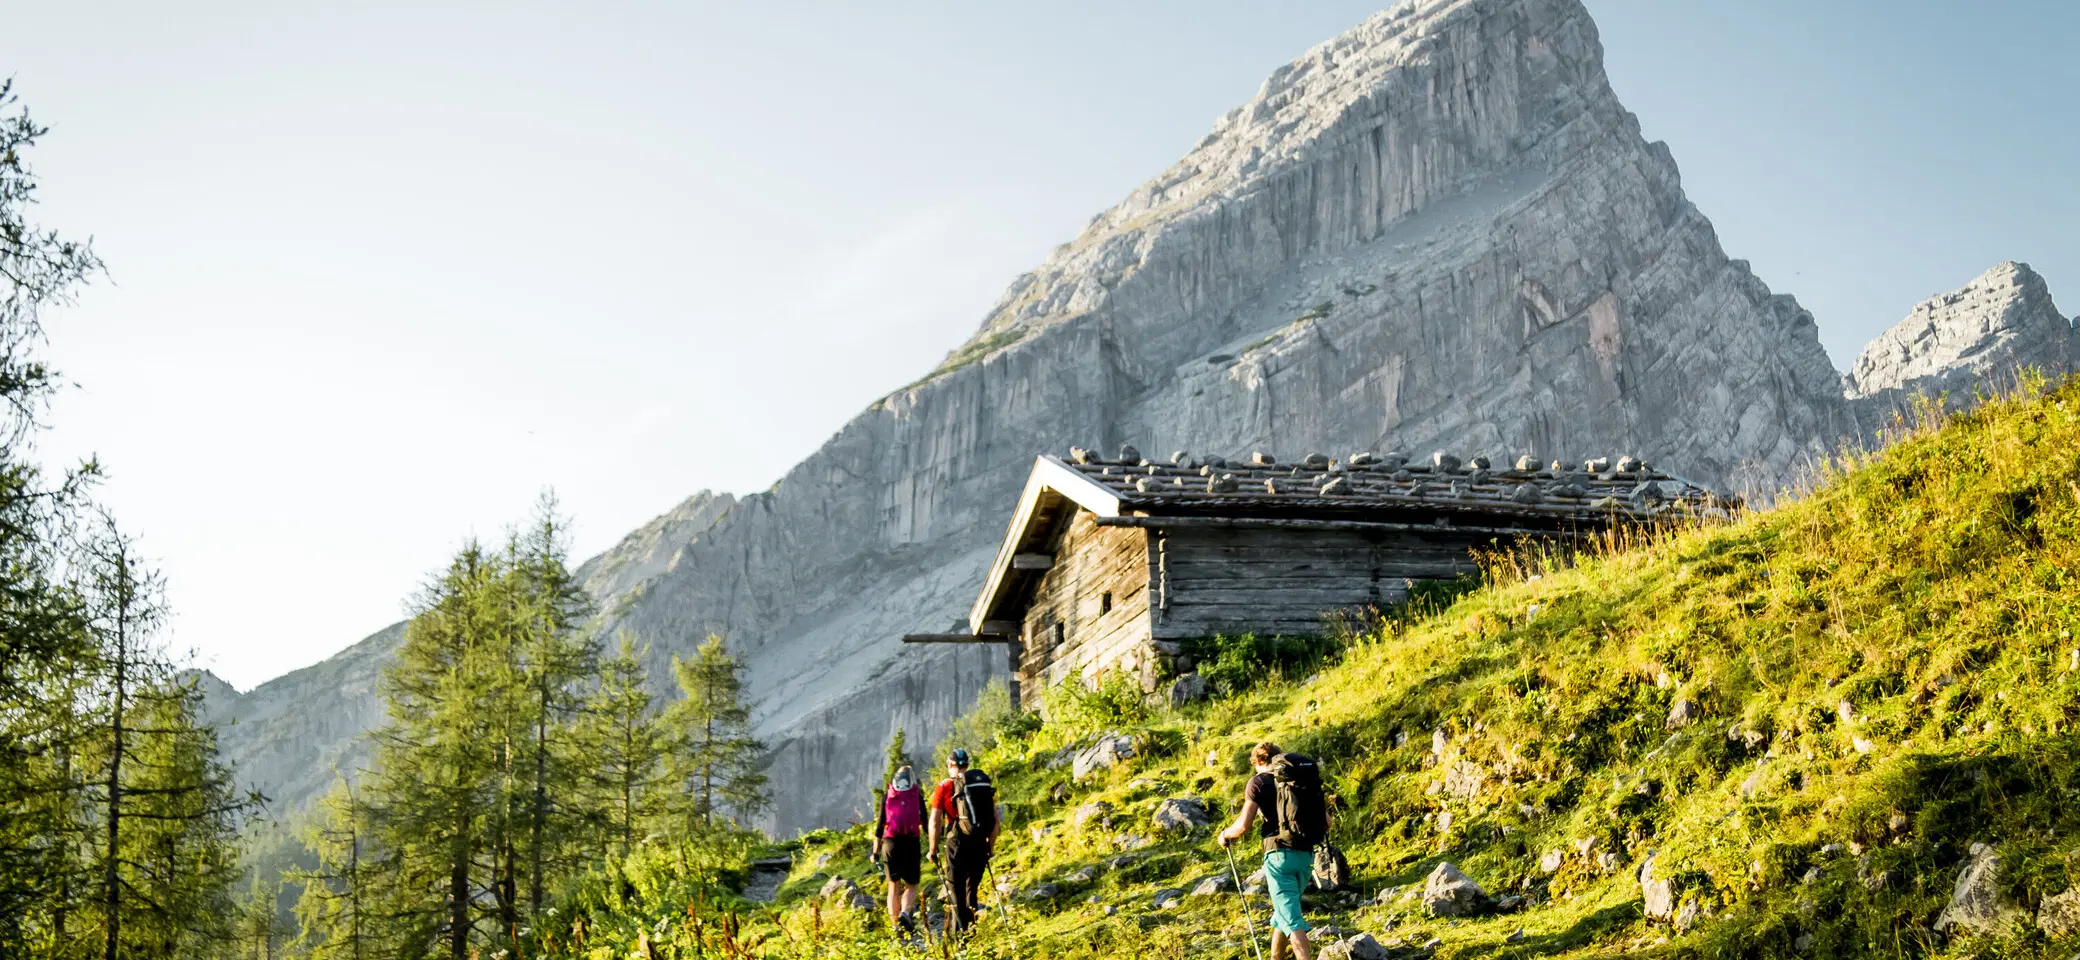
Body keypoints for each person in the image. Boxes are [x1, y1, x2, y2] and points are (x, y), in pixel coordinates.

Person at [1220, 742, 1327, 960]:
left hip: (1278, 857)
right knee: (1284, 914)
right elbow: (1328, 821)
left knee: (1293, 920)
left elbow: (1243, 826)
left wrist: (1224, 835)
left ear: (1258, 761)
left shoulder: (1258, 783)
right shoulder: (1299, 780)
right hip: (1305, 854)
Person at [927, 748, 1000, 935]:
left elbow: (935, 821)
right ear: (967, 765)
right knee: (971, 891)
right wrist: (989, 847)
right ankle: (973, 933)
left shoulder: (943, 787)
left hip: (956, 843)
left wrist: (933, 850)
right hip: (979, 843)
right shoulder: (979, 784)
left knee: (956, 893)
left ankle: (961, 941)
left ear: (950, 765)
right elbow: (996, 822)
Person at [873, 764, 925, 932]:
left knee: (893, 886)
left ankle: (895, 925)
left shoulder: (887, 796)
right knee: (912, 884)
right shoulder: (917, 795)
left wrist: (875, 851)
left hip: (890, 843)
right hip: (911, 842)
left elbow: (880, 826)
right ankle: (905, 912)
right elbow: (925, 820)